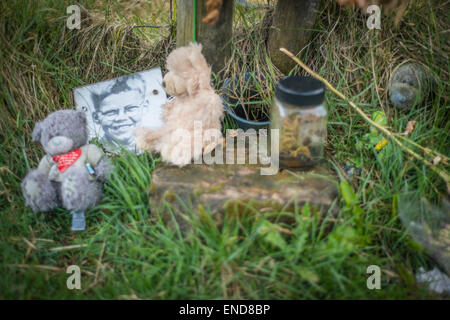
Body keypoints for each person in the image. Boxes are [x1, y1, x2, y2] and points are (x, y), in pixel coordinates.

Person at [90, 74, 149, 151]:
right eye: (110, 112)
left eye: (131, 108)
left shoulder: (159, 140)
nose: (121, 118)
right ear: (96, 117)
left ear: (144, 108)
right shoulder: (94, 152)